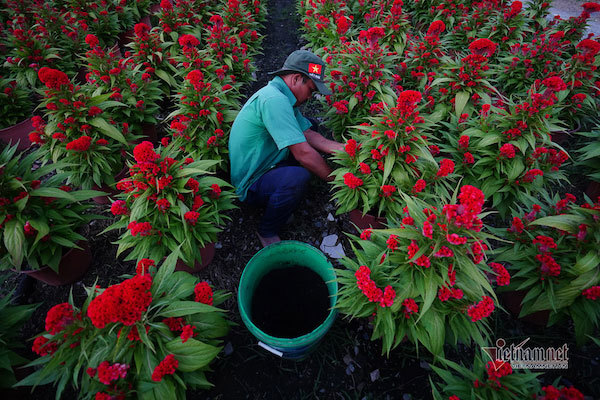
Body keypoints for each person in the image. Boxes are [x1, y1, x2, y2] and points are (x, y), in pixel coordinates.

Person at [229, 50, 344, 247]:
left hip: (266, 159)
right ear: (296, 78)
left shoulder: (281, 94)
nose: (310, 96)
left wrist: (346, 149)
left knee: (310, 125)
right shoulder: (275, 101)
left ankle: (287, 190)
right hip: (251, 181)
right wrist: (337, 181)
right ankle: (267, 231)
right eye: (311, 89)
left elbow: (309, 134)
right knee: (297, 177)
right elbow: (303, 154)